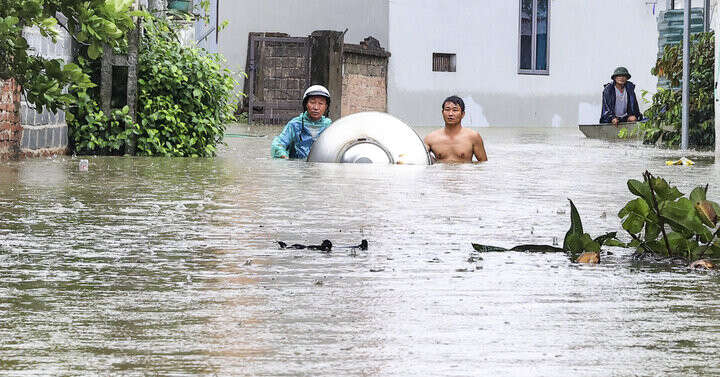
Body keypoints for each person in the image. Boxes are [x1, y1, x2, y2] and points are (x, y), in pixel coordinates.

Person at [271, 85, 332, 159]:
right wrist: (284, 158)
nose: (316, 107)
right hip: (298, 166)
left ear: (326, 106)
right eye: (312, 102)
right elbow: (278, 144)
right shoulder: (295, 124)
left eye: (321, 103)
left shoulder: (329, 126)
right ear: (306, 104)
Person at [424, 95, 488, 163]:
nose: (450, 114)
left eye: (455, 110)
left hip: (464, 173)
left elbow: (483, 164)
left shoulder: (473, 137)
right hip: (441, 173)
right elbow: (419, 158)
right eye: (447, 110)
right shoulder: (431, 138)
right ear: (442, 112)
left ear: (463, 114)